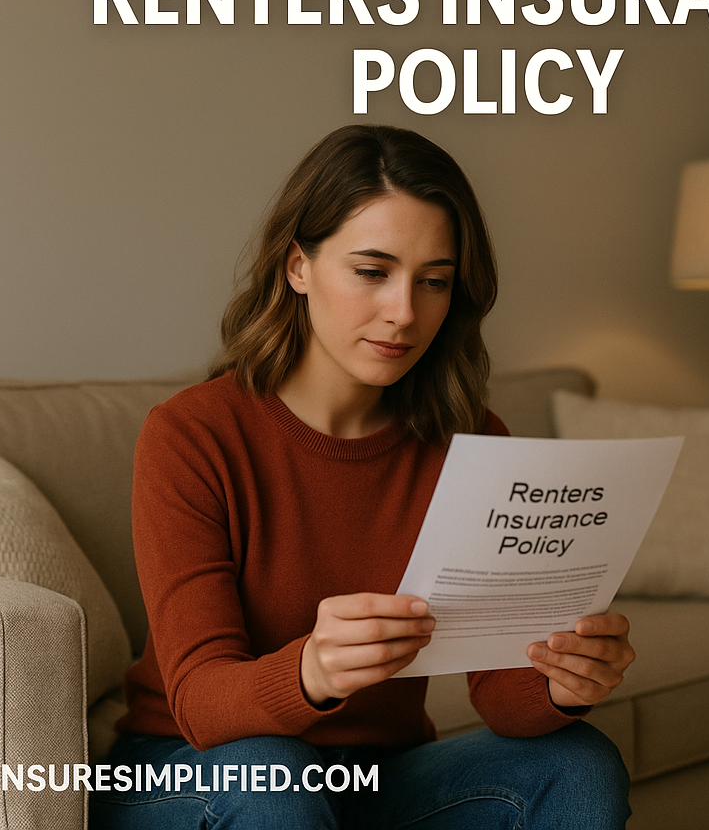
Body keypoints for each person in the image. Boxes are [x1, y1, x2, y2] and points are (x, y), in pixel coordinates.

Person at [91, 124, 634, 829]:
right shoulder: (193, 434)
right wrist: (313, 669)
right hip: (194, 765)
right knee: (271, 777)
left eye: (434, 281)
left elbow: (502, 697)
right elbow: (200, 698)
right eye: (372, 271)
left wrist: (564, 682)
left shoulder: (473, 444)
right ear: (298, 267)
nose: (404, 313)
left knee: (578, 763)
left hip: (373, 778)